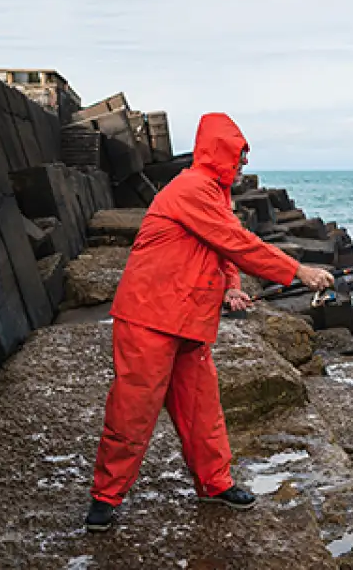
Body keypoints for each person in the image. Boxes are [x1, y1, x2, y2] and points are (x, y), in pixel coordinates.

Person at [85, 112, 332, 532]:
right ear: (219, 152)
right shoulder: (192, 188)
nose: (244, 162)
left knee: (202, 410)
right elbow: (237, 241)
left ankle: (215, 484)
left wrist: (231, 287)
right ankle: (105, 497)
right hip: (149, 315)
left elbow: (221, 247)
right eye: (239, 153)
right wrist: (298, 271)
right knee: (132, 411)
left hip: (190, 319)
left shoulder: (215, 195)